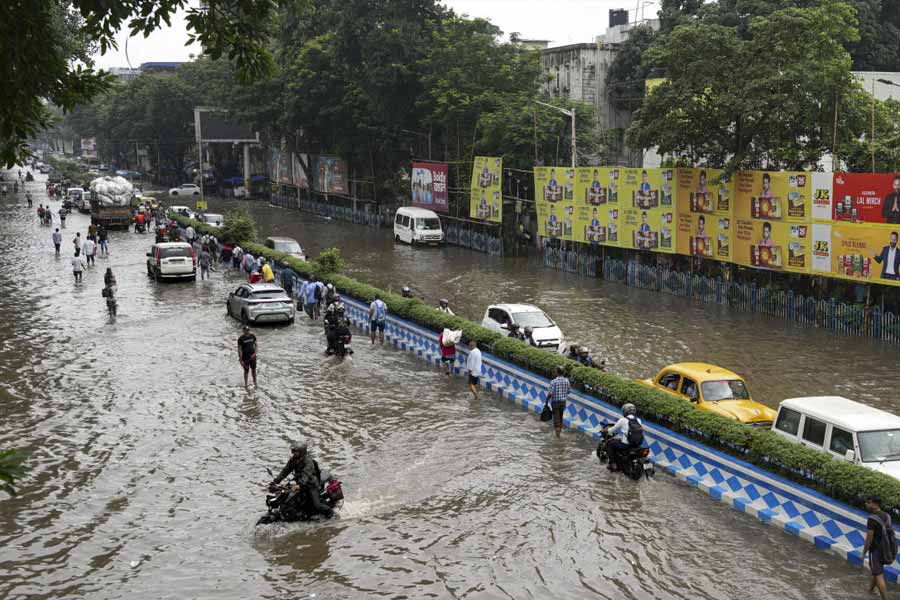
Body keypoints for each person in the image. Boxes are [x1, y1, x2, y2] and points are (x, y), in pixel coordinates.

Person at [269, 439, 333, 519]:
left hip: (310, 484)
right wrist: (276, 481)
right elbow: (285, 471)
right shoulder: (293, 460)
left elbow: (305, 475)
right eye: (293, 451)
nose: (294, 453)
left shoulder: (308, 462)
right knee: (286, 495)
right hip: (298, 482)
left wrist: (299, 485)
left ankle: (330, 513)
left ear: (302, 452)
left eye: (296, 451)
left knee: (317, 504)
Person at [861, 495, 893, 600]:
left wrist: (863, 553)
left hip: (875, 550)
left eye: (868, 502)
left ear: (875, 504)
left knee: (878, 575)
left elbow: (869, 539)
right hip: (886, 549)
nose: (866, 504)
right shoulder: (887, 516)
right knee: (877, 570)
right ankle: (870, 590)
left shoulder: (872, 519)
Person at [606, 403, 641, 471]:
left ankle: (612, 463)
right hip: (636, 444)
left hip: (625, 445)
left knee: (610, 443)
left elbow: (613, 429)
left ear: (625, 411)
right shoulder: (638, 420)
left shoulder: (623, 420)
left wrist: (607, 431)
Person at [546, 367, 570, 438]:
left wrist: (547, 400)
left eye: (555, 371)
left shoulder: (553, 381)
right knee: (560, 417)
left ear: (557, 372)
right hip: (563, 402)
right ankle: (559, 433)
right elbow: (568, 391)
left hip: (555, 402)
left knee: (556, 419)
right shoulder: (567, 381)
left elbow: (550, 393)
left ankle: (557, 436)